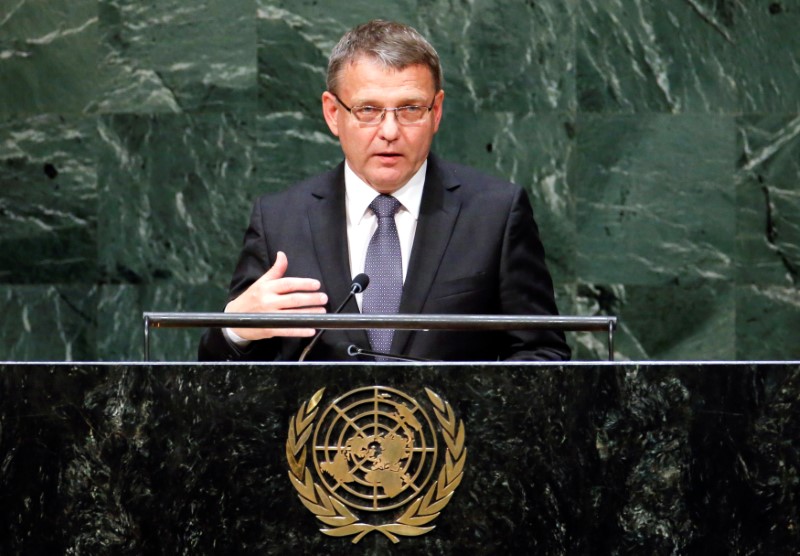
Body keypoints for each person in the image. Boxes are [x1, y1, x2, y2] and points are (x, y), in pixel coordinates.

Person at [198, 19, 570, 362]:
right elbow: (215, 377)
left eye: (409, 109)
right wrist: (235, 330)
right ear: (332, 114)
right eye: (368, 110)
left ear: (436, 111)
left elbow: (542, 354)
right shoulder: (280, 220)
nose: (390, 131)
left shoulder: (496, 214)